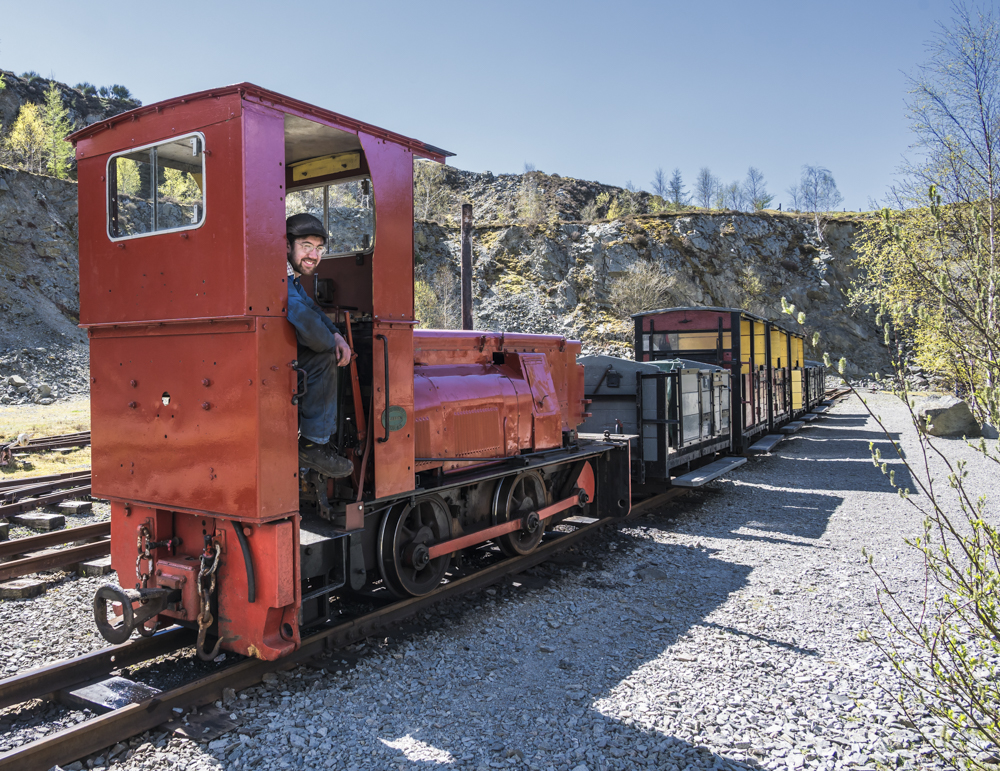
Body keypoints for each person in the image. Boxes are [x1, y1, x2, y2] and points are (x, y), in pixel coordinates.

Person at [285, 213, 354, 478]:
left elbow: (312, 307)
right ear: (287, 246)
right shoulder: (277, 278)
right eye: (306, 246)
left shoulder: (291, 276)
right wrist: (332, 344)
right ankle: (314, 443)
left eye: (319, 249)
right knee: (323, 358)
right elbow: (311, 329)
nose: (314, 255)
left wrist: (337, 335)